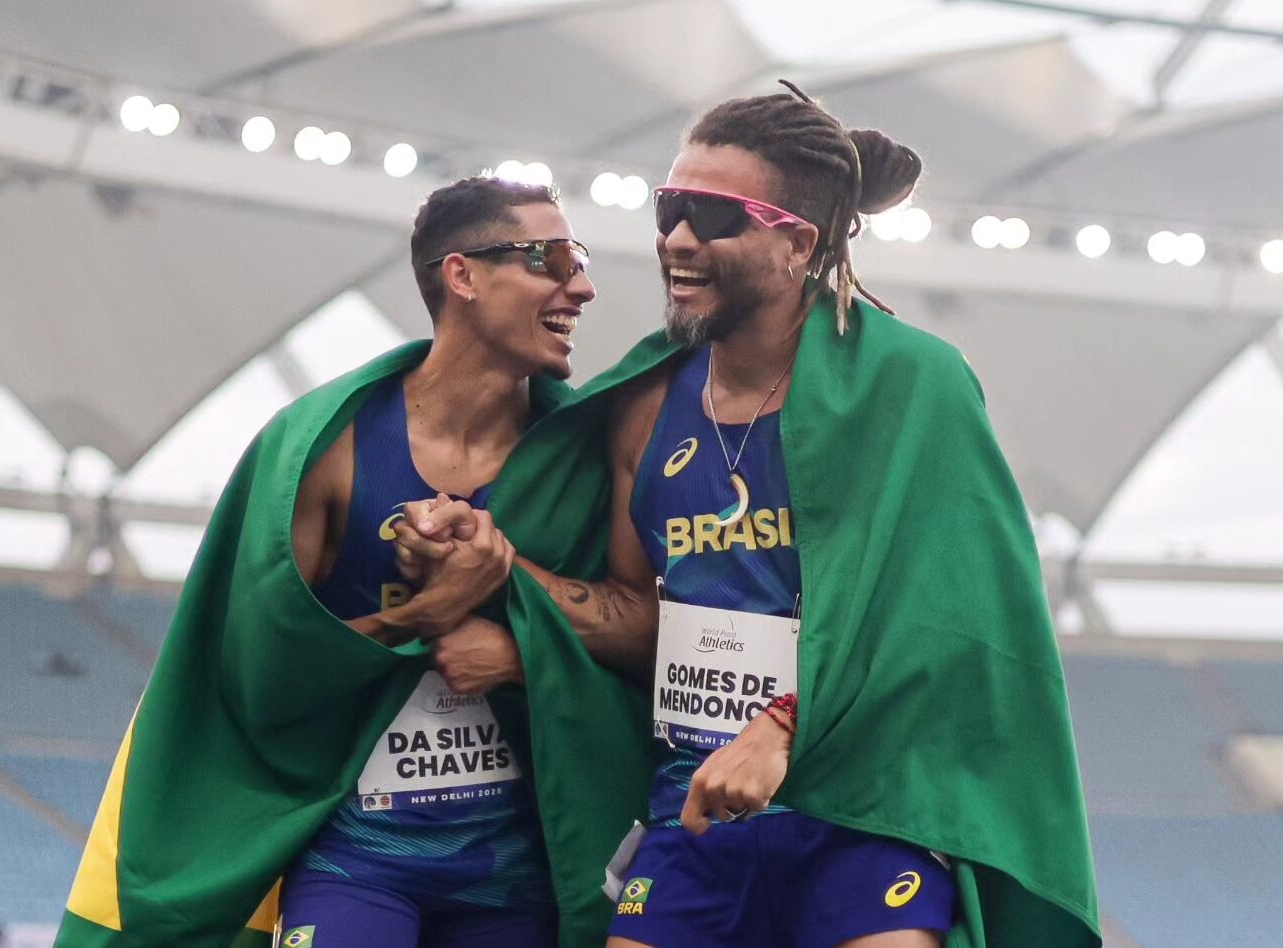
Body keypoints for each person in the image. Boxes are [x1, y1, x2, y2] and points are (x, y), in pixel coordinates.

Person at [397, 83, 1100, 948]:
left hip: (862, 811)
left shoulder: (910, 384)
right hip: (693, 817)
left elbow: (954, 619)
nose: (678, 240)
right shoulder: (647, 406)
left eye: (714, 216)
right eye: (671, 209)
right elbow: (635, 614)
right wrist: (506, 563)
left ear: (795, 242)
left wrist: (782, 731)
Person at [58, 176, 654, 948]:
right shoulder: (325, 448)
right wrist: (427, 614)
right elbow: (260, 679)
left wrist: (520, 636)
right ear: (462, 274)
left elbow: (646, 637)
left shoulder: (584, 455)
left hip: (517, 865)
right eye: (551, 258)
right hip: (357, 859)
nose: (582, 285)